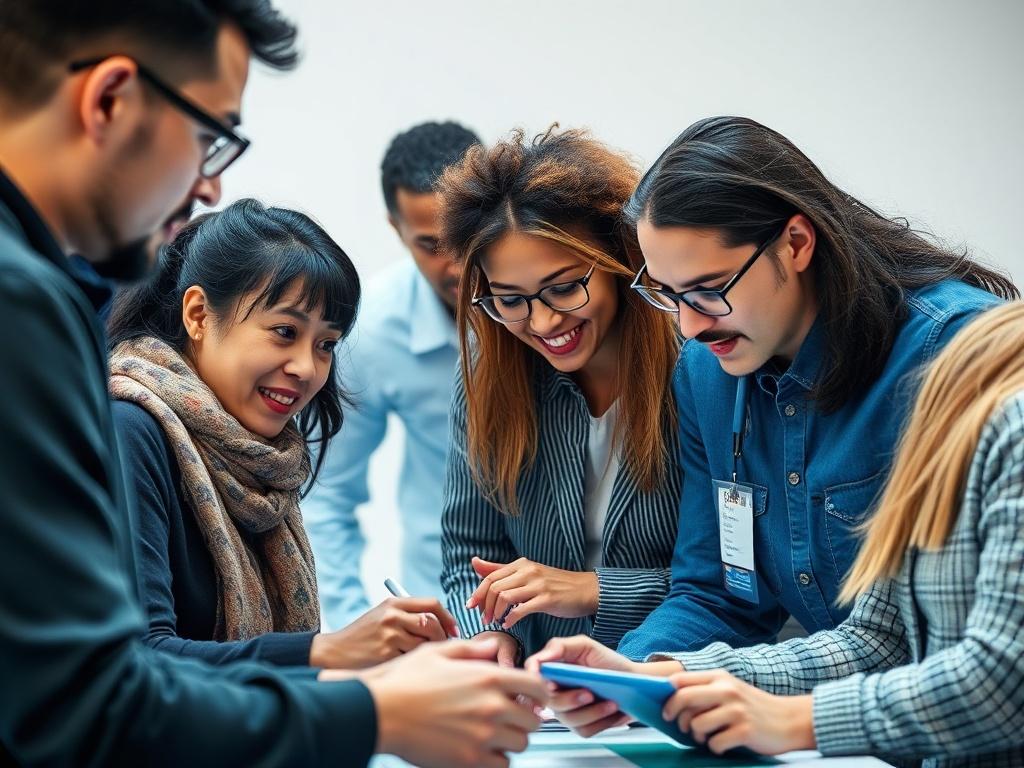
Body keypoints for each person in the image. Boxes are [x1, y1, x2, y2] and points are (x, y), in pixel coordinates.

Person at [0, 3, 546, 766]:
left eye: (324, 344)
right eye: (208, 138)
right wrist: (365, 708)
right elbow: (92, 696)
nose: (208, 188)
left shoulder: (54, 301)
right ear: (110, 100)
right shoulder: (40, 324)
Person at [529, 300, 1024, 767]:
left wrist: (794, 720)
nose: (689, 327)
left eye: (708, 289)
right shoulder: (960, 376)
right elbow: (880, 639)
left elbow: (1003, 684)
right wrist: (661, 679)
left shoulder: (962, 363)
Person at [605, 116, 1016, 660]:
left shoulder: (950, 353)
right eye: (669, 295)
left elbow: (911, 642)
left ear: (796, 243)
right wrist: (628, 675)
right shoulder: (705, 374)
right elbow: (720, 596)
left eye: (707, 290)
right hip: (823, 723)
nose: (690, 326)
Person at [108, 198, 461, 670]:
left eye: (326, 345)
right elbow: (137, 659)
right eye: (283, 331)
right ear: (197, 315)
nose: (306, 368)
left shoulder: (263, 461)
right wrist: (326, 651)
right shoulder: (130, 430)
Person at [436, 127, 683, 665]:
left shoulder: (698, 369)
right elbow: (469, 559)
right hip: (546, 698)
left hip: (681, 679)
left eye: (565, 287)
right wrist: (487, 634)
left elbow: (736, 586)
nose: (543, 321)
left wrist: (592, 589)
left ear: (620, 256)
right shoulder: (486, 373)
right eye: (510, 300)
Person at [304, 120, 480, 629]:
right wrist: (348, 629)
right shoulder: (373, 330)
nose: (455, 265)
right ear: (394, 228)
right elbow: (327, 491)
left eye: (464, 236)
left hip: (578, 610)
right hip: (447, 613)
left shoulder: (554, 311)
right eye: (430, 244)